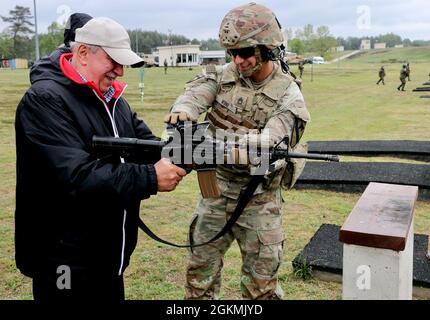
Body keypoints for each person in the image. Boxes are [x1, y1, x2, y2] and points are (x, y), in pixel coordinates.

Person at [15, 16, 186, 301]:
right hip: (63, 261)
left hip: (107, 259)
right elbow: (76, 177)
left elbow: (147, 147)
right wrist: (151, 177)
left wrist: (187, 154)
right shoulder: (44, 100)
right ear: (83, 53)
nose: (120, 71)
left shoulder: (113, 99)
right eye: (113, 60)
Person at [164, 3, 310, 300]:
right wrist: (183, 110)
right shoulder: (222, 75)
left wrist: (234, 149)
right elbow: (195, 95)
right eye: (232, 53)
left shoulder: (288, 94)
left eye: (245, 53)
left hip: (259, 199)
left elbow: (272, 142)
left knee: (261, 287)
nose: (238, 60)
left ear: (267, 50)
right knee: (199, 275)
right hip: (214, 191)